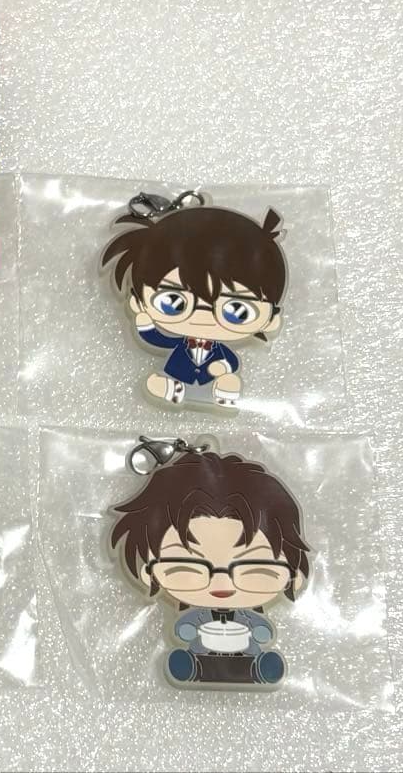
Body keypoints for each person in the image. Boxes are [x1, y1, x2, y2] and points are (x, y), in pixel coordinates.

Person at [109, 450, 311, 686]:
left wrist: (259, 631)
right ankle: (191, 666)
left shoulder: (248, 617)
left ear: (292, 576)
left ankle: (259, 667)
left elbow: (262, 631)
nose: (221, 583)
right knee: (188, 659)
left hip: (248, 651)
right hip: (201, 651)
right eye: (188, 566)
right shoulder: (199, 615)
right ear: (149, 574)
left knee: (257, 658)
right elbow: (184, 628)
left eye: (253, 567)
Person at [101, 205, 286, 408]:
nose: (202, 318)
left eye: (237, 311)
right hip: (178, 378)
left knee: (227, 382)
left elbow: (231, 361)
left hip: (210, 383)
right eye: (173, 302)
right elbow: (156, 338)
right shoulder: (179, 342)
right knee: (160, 383)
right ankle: (171, 389)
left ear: (271, 319)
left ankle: (223, 392)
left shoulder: (221, 351)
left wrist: (223, 368)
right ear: (139, 301)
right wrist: (145, 323)